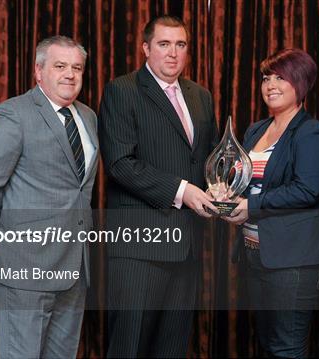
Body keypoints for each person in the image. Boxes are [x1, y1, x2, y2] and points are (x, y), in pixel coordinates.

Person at [0, 35, 98, 358]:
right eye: (60, 66)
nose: (70, 74)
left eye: (77, 68)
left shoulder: (88, 117)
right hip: (26, 264)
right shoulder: (14, 114)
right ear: (39, 72)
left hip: (74, 267)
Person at [98, 15, 218, 358]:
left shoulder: (200, 96)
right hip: (140, 247)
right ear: (146, 48)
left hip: (186, 245)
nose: (173, 53)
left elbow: (206, 159)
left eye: (180, 45)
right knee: (129, 347)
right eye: (164, 44)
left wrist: (222, 188)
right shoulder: (123, 90)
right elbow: (120, 163)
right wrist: (183, 191)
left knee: (172, 348)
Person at [225, 48, 319, 358]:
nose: (270, 84)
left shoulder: (312, 132)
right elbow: (244, 182)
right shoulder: (256, 130)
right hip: (254, 254)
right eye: (266, 78)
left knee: (287, 348)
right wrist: (230, 198)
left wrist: (251, 207)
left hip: (292, 261)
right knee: (268, 344)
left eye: (280, 77)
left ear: (300, 84)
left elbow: (306, 190)